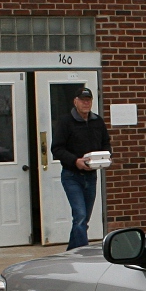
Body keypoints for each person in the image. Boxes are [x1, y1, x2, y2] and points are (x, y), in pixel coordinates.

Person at [51, 87, 110, 249]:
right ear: (75, 101)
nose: (86, 103)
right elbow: (57, 149)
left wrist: (104, 157)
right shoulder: (66, 122)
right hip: (72, 176)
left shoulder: (97, 121)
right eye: (82, 100)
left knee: (84, 219)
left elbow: (106, 143)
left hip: (91, 176)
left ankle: (72, 251)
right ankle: (83, 252)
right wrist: (75, 161)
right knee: (80, 216)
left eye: (88, 100)